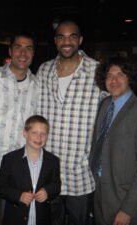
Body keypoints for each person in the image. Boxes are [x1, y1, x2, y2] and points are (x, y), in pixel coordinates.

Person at [36, 20, 102, 225]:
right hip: (49, 173)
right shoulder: (44, 70)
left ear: (80, 40)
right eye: (61, 36)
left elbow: (118, 104)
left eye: (72, 36)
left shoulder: (97, 71)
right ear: (55, 41)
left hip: (80, 173)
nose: (67, 41)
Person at [89, 57, 137, 225]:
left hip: (124, 198)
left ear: (130, 78)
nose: (114, 80)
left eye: (120, 74)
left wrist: (128, 209)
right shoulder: (104, 104)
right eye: (109, 75)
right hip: (99, 192)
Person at [0, 32, 38, 225]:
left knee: (15, 220)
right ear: (10, 50)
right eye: (18, 47)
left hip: (19, 168)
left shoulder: (38, 86)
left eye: (28, 48)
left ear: (33, 53)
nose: (23, 53)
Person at [0, 115, 61, 225]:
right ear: (25, 133)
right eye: (34, 133)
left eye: (43, 134)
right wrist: (18, 195)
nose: (39, 138)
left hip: (41, 218)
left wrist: (47, 191)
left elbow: (56, 185)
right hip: (15, 218)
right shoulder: (10, 159)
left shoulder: (53, 161)